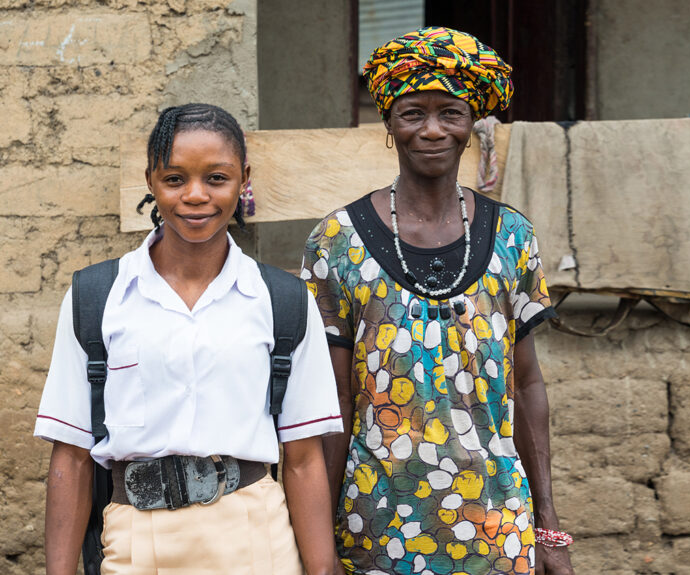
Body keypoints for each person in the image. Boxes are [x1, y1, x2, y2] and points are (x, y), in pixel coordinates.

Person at [302, 28, 575, 575]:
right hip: (376, 529)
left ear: (472, 124)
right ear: (388, 124)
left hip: (497, 531)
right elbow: (330, 402)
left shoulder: (512, 238)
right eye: (412, 114)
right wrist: (320, 546)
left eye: (450, 113)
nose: (432, 130)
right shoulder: (338, 241)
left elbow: (527, 385)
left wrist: (547, 526)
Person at [36, 103, 344, 575]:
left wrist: (323, 570)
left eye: (216, 178)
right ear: (150, 180)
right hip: (136, 540)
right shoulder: (97, 298)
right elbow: (72, 457)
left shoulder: (282, 301)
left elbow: (302, 459)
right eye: (175, 178)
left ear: (243, 179)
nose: (195, 195)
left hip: (256, 538)